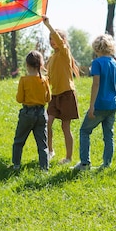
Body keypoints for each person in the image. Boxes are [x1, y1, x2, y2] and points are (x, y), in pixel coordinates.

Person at [72, 34, 116, 171]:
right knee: (108, 135)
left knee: (84, 131)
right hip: (112, 106)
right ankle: (106, 164)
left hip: (99, 105)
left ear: (96, 48)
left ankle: (85, 164)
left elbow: (96, 84)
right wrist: (112, 98)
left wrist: (92, 105)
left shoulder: (97, 63)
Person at [42, 15, 81, 165]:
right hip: (55, 96)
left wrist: (49, 26)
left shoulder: (65, 53)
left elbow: (59, 41)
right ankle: (50, 151)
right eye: (50, 39)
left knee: (65, 127)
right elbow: (49, 78)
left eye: (54, 38)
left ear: (62, 40)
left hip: (66, 94)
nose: (52, 41)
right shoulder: (51, 58)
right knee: (47, 124)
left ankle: (69, 157)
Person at [11, 51, 51, 171]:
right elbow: (48, 98)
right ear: (41, 65)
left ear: (27, 65)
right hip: (41, 114)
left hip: (27, 113)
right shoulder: (45, 80)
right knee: (42, 143)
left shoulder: (24, 80)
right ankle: (44, 168)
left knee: (19, 140)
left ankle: (16, 165)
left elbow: (19, 99)